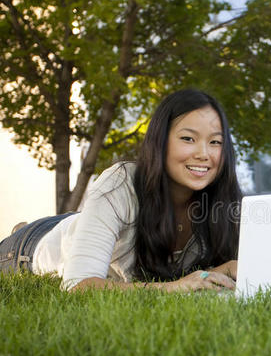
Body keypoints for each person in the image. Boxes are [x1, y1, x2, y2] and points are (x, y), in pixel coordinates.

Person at [0, 89, 241, 293]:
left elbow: (191, 276)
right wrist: (175, 287)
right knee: (59, 238)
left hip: (82, 222)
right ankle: (22, 231)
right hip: (28, 249)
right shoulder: (121, 182)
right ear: (160, 141)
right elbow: (78, 286)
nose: (204, 154)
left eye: (215, 142)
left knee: (78, 225)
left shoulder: (222, 197)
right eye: (188, 138)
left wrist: (223, 270)